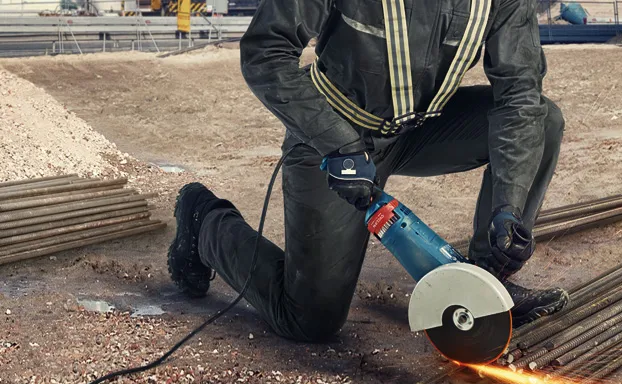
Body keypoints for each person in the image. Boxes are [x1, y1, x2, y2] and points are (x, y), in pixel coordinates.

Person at [167, 0, 569, 343]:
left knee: (542, 119)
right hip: (333, 134)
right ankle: (205, 221)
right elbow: (265, 51)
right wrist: (337, 145)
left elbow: (519, 96)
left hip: (417, 129)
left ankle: (482, 284)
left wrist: (508, 207)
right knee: (310, 318)